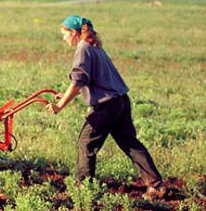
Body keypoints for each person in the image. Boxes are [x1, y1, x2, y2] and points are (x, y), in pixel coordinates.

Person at [46, 15, 167, 201]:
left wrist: (60, 106)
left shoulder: (84, 49)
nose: (64, 38)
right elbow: (92, 81)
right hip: (120, 101)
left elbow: (79, 80)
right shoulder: (96, 49)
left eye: (65, 34)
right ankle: (156, 186)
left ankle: (83, 190)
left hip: (107, 106)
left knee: (85, 144)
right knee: (130, 143)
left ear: (74, 33)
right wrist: (67, 94)